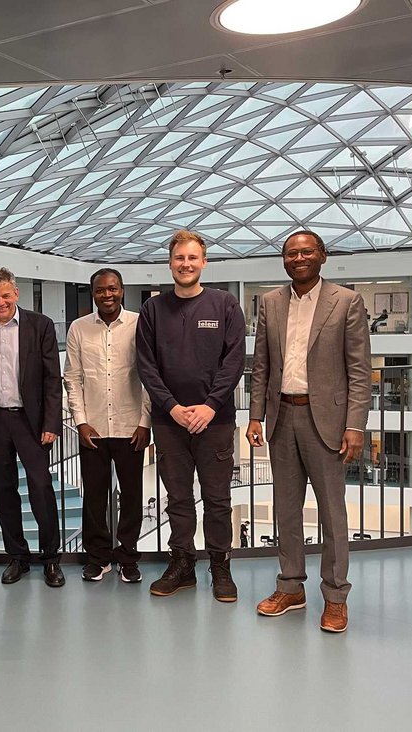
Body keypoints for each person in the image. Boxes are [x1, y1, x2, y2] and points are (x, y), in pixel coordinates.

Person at [247, 230, 372, 633]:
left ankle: (335, 597)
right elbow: (261, 366)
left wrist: (355, 425)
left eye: (305, 252)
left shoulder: (346, 301)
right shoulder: (270, 302)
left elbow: (359, 370)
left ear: (322, 255)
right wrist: (255, 416)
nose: (298, 258)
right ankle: (291, 587)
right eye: (290, 253)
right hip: (282, 417)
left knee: (332, 513)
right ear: (283, 260)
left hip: (328, 423)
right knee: (286, 510)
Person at [136, 230, 246, 601]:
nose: (186, 264)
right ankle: (182, 565)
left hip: (215, 421)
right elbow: (146, 365)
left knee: (218, 500)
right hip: (170, 422)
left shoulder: (224, 304)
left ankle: (220, 566)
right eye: (179, 258)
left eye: (192, 258)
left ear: (204, 262)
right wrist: (173, 407)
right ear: (170, 263)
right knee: (178, 498)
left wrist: (210, 405)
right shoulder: (153, 310)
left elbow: (234, 361)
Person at [0, 267, 64, 588]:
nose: (0, 302)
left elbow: (52, 379)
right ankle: (18, 557)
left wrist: (52, 422)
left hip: (32, 422)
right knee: (3, 490)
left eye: (5, 295)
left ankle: (51, 558)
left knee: (41, 487)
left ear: (16, 293)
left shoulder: (40, 325)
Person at [63, 267, 150, 584]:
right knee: (94, 497)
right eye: (101, 290)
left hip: (131, 426)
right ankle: (98, 558)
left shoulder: (140, 324)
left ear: (122, 290)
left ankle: (128, 557)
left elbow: (150, 377)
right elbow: (72, 378)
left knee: (132, 496)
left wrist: (145, 422)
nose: (107, 294)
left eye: (112, 288)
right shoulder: (78, 328)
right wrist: (81, 422)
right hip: (94, 429)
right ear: (93, 293)